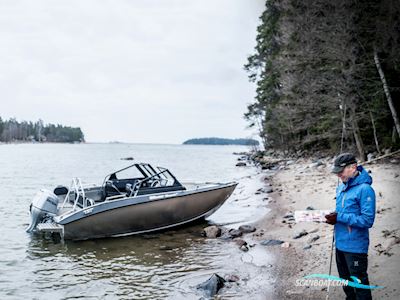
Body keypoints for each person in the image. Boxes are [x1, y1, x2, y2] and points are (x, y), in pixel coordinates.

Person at [325, 153, 376, 300]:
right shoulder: (340, 188)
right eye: (337, 172)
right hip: (340, 244)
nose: (338, 175)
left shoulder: (365, 189)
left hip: (355, 247)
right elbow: (342, 214)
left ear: (353, 167)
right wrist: (333, 218)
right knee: (345, 281)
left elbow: (367, 220)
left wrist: (339, 217)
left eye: (341, 171)